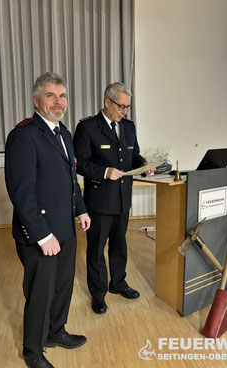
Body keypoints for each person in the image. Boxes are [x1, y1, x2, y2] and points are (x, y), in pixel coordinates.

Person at [5, 72, 91, 368]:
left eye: (62, 95)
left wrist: (81, 208)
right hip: (39, 233)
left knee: (63, 286)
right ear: (36, 101)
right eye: (51, 96)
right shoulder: (24, 135)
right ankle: (33, 351)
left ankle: (55, 332)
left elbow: (70, 178)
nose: (59, 101)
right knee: (40, 294)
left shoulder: (63, 132)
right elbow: (21, 192)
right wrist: (42, 235)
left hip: (65, 227)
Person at [73, 82, 154, 315]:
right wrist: (104, 172)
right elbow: (80, 164)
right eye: (121, 106)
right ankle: (98, 294)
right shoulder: (88, 128)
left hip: (122, 199)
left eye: (128, 107)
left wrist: (144, 164)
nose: (124, 111)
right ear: (107, 102)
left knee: (120, 245)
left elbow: (133, 154)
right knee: (96, 249)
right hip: (99, 201)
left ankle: (118, 283)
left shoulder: (128, 127)